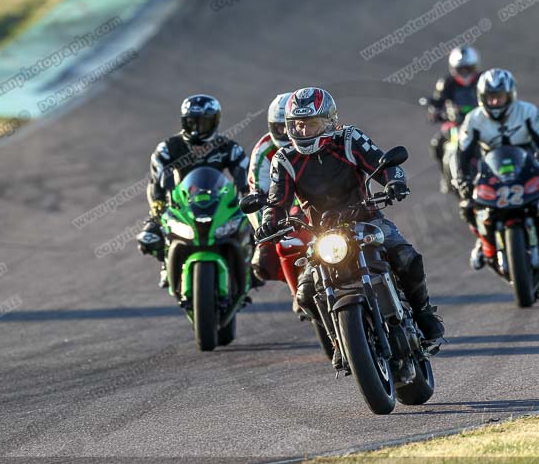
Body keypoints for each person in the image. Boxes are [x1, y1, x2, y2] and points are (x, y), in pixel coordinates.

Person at [256, 87, 445, 369]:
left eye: (311, 123)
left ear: (329, 121)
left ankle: (423, 312)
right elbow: (276, 200)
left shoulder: (349, 139)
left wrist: (394, 181)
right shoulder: (284, 159)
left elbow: (384, 166)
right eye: (297, 124)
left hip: (366, 219)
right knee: (305, 294)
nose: (303, 130)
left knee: (406, 257)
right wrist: (269, 222)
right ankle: (338, 340)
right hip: (321, 234)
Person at [137, 94, 250, 282]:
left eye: (202, 123)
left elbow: (245, 172)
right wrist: (158, 203)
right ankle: (167, 264)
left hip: (218, 202)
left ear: (214, 122)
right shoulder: (168, 147)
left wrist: (245, 195)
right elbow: (156, 179)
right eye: (191, 123)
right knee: (148, 237)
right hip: (181, 204)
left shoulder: (228, 147)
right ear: (183, 122)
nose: (196, 128)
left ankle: (249, 267)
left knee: (257, 228)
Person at [454, 68, 539, 269]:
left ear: (510, 96)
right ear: (481, 97)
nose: (495, 102)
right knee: (467, 205)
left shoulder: (528, 111)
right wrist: (463, 179)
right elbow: (463, 154)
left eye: (500, 97)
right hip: (491, 171)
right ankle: (482, 241)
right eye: (490, 97)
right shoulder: (474, 119)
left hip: (528, 167)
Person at [247, 92, 293, 283]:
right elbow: (259, 192)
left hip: (324, 206)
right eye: (280, 127)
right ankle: (297, 294)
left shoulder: (320, 140)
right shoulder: (264, 150)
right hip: (283, 209)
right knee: (264, 260)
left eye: (291, 126)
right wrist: (267, 231)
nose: (286, 133)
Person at [427, 46, 481, 192]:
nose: (464, 72)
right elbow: (437, 103)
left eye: (468, 68)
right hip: (454, 124)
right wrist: (435, 112)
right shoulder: (446, 83)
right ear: (453, 68)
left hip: (481, 122)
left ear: (474, 67)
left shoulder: (483, 80)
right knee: (436, 144)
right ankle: (446, 178)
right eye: (461, 69)